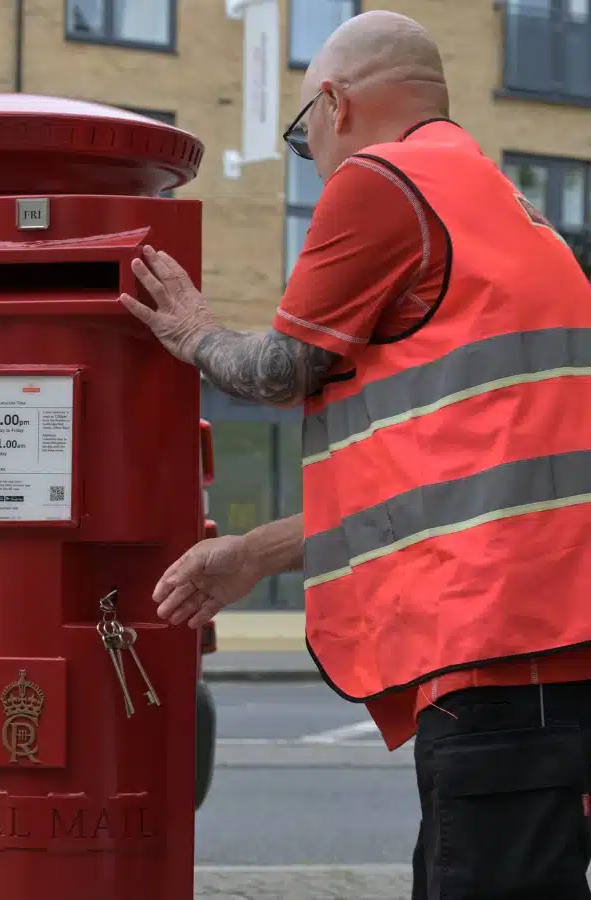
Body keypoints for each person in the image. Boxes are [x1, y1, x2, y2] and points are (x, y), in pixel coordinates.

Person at [119, 9, 591, 900]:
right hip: (551, 650)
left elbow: (281, 370)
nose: (316, 165)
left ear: (333, 105)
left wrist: (193, 331)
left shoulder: (383, 182)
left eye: (303, 141)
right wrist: (254, 555)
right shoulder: (515, 216)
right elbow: (444, 490)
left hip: (493, 647)